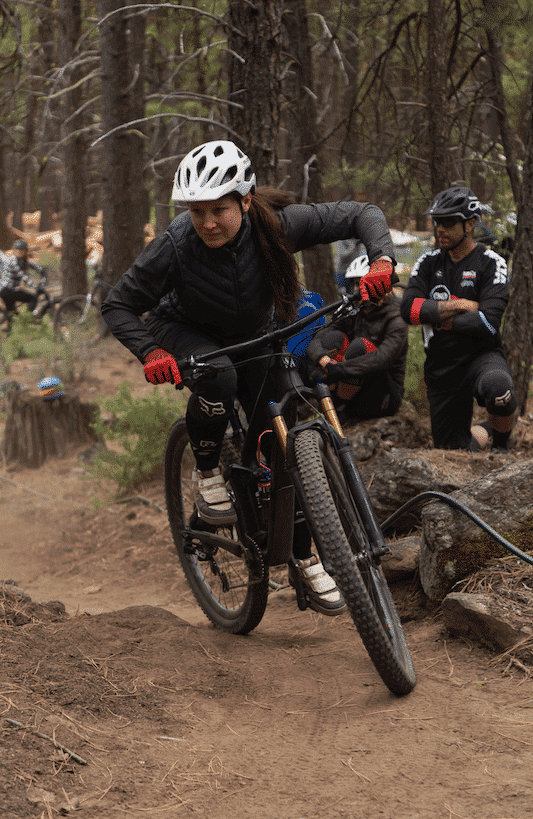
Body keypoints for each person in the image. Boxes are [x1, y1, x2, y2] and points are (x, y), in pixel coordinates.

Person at [101, 140, 396, 615]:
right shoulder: (177, 243)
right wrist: (151, 351)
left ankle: (304, 556)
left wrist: (381, 259)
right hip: (187, 331)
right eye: (198, 212)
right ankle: (208, 470)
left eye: (219, 209)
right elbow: (118, 304)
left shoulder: (278, 226)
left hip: (259, 335)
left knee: (279, 444)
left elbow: (363, 213)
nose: (208, 223)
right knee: (216, 376)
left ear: (246, 200)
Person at [400, 186, 517, 453]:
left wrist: (435, 313)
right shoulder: (427, 263)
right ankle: (485, 430)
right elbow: (408, 310)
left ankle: (501, 447)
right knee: (455, 452)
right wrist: (462, 305)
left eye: (449, 222)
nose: (440, 228)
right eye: (437, 222)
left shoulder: (491, 262)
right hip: (441, 365)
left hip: (481, 355)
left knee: (498, 387)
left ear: (471, 224)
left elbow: (487, 322)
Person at [307, 255, 408, 424]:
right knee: (334, 338)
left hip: (384, 394)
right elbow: (320, 337)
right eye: (357, 284)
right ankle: (336, 404)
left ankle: (343, 408)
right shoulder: (354, 309)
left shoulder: (397, 317)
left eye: (368, 284)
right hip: (353, 383)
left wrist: (338, 370)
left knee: (359, 347)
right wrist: (322, 360)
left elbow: (382, 359)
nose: (362, 290)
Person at [0, 239, 41, 316]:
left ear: (25, 251)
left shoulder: (20, 260)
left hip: (5, 290)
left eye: (22, 249)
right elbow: (22, 276)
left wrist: (41, 269)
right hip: (8, 290)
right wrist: (35, 286)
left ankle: (10, 326)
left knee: (13, 314)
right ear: (14, 250)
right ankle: (28, 318)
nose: (20, 251)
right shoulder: (13, 261)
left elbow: (31, 264)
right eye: (17, 249)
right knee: (33, 298)